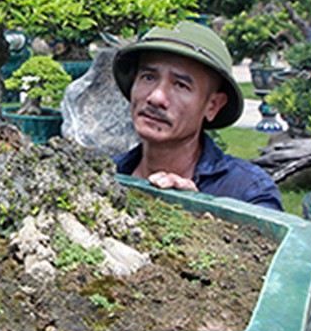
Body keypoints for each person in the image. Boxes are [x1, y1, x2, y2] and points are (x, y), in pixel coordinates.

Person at [111, 20, 283, 211]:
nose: (156, 97)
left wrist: (198, 217)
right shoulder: (105, 177)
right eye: (148, 77)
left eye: (180, 85)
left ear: (213, 106)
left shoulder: (247, 193)